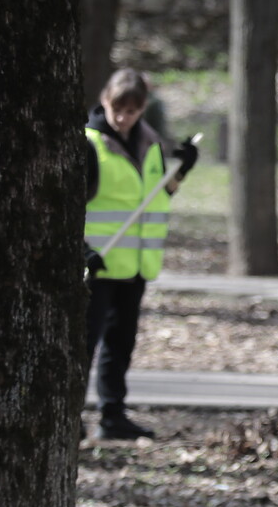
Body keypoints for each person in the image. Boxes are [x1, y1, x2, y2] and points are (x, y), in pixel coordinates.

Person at [83, 68, 196, 440]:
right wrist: (82, 252)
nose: (122, 117)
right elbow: (72, 206)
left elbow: (159, 196)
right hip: (97, 265)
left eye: (131, 110)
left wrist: (183, 168)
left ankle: (112, 415)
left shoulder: (149, 144)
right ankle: (69, 416)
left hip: (134, 264)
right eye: (117, 108)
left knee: (120, 344)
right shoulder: (89, 144)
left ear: (142, 109)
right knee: (83, 344)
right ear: (104, 100)